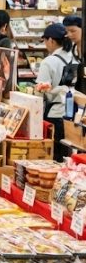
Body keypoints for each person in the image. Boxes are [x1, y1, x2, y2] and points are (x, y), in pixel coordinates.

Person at [37, 23, 78, 162]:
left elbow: (40, 90)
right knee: (69, 152)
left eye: (45, 41)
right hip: (75, 112)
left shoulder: (49, 62)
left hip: (54, 113)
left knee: (54, 154)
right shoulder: (75, 57)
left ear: (51, 40)